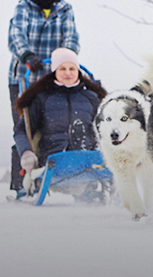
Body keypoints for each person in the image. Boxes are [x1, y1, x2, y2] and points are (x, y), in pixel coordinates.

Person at [7, 0, 79, 196]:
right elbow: (15, 34)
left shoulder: (65, 8)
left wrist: (63, 61)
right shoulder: (24, 7)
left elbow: (72, 39)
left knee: (51, 126)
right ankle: (21, 183)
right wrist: (27, 55)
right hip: (25, 78)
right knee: (25, 127)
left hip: (53, 78)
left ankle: (55, 176)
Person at [14, 48, 106, 198]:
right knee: (63, 153)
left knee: (93, 140)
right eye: (62, 68)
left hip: (88, 161)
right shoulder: (43, 98)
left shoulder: (92, 98)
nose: (68, 73)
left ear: (78, 71)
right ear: (54, 71)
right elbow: (21, 131)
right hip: (53, 161)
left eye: (72, 68)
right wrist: (26, 153)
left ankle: (87, 179)